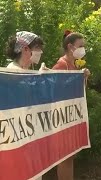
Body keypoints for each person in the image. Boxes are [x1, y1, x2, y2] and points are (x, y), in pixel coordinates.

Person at [6, 31, 45, 180]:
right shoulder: (12, 73)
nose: (40, 52)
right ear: (25, 49)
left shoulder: (29, 72)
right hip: (19, 143)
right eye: (37, 47)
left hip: (31, 139)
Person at [52, 31, 90, 180]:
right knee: (64, 158)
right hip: (63, 119)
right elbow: (53, 90)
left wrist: (83, 78)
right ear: (70, 47)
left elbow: (78, 93)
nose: (83, 49)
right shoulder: (61, 65)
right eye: (80, 46)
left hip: (71, 117)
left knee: (70, 157)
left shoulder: (72, 65)